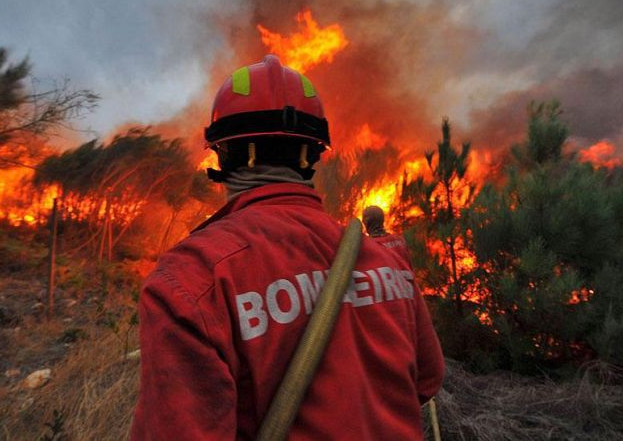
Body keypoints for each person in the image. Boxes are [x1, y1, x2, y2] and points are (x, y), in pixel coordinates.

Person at [131, 55, 444, 440]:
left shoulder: (192, 280)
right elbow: (426, 381)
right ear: (313, 155)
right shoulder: (388, 261)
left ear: (221, 154)